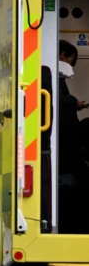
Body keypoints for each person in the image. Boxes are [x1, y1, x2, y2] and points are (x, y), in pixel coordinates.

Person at [57, 40, 88, 233]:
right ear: (62, 55)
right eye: (70, 61)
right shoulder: (52, 75)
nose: (70, 67)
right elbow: (57, 99)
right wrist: (74, 103)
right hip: (66, 148)